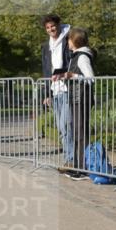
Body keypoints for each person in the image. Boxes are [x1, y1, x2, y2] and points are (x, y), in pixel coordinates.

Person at [53, 27, 95, 179]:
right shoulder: (75, 56)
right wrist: (64, 75)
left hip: (81, 98)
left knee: (80, 132)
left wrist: (73, 75)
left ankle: (82, 168)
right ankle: (77, 165)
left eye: (69, 40)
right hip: (75, 97)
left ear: (75, 41)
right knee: (76, 130)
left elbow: (90, 78)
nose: (67, 43)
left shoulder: (83, 56)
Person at [41, 14, 74, 167]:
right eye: (47, 28)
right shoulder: (46, 46)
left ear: (58, 25)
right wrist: (47, 94)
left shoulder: (68, 40)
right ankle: (67, 158)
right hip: (55, 90)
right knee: (60, 128)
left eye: (52, 26)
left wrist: (67, 75)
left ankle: (71, 160)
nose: (51, 29)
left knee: (66, 125)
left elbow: (73, 62)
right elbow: (46, 71)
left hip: (68, 88)